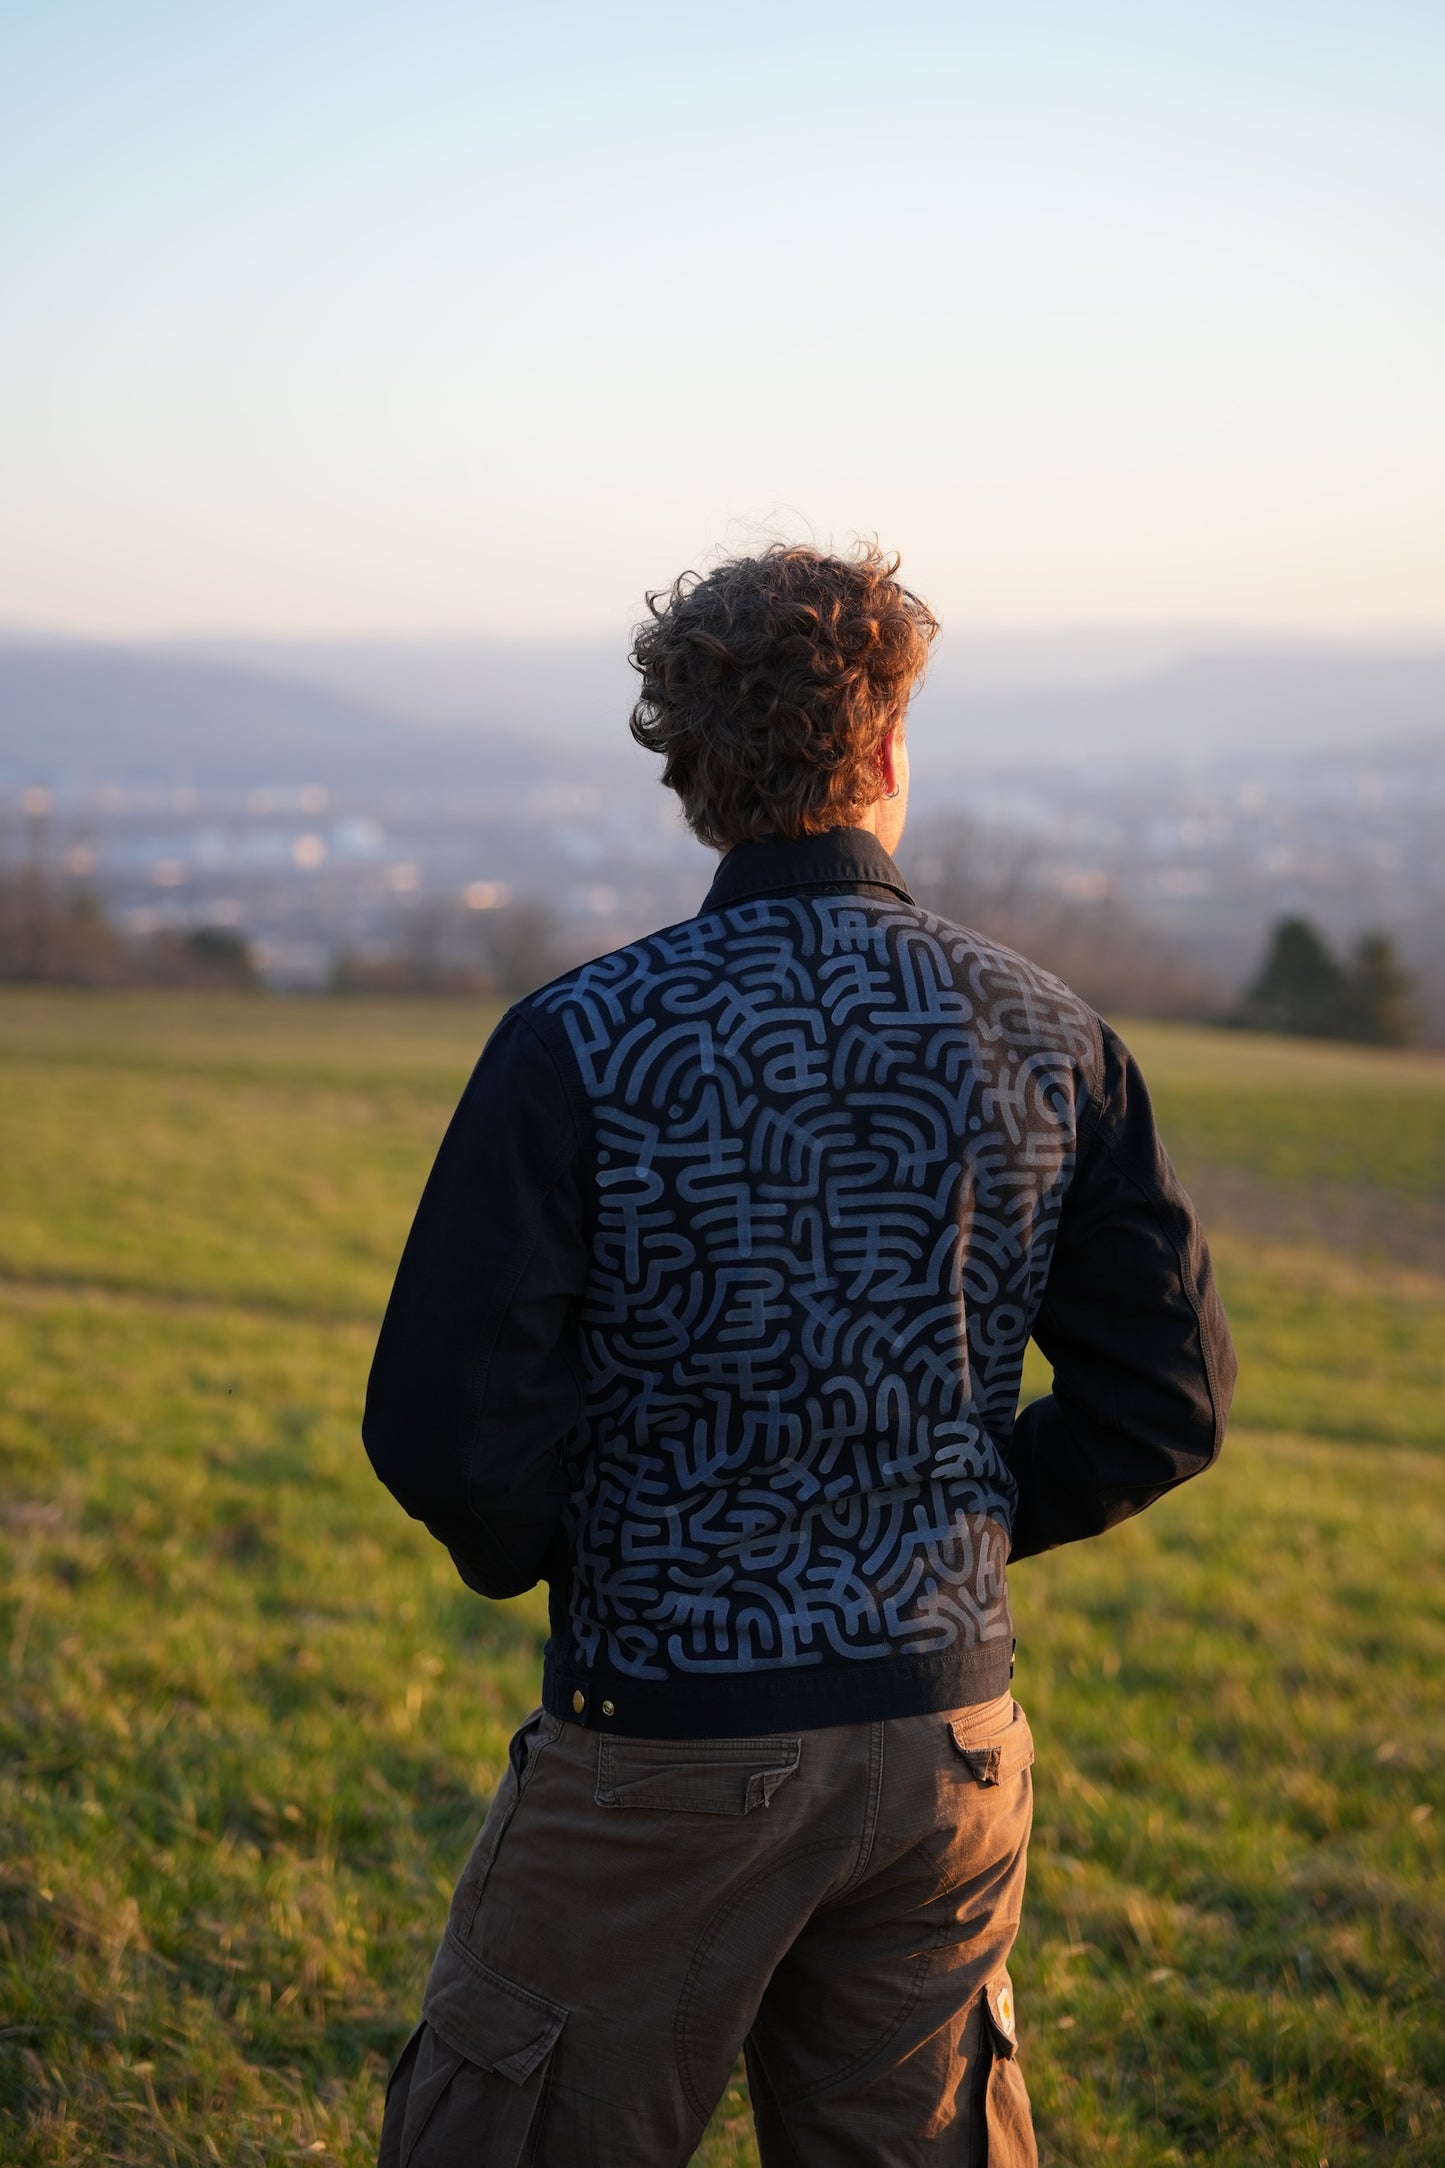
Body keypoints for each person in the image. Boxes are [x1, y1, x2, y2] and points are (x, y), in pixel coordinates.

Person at [363, 542, 1236, 2167]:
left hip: (662, 1738)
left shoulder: (580, 1038)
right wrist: (948, 1522)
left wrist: (604, 1554)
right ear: (892, 748)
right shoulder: (1054, 1033)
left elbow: (440, 1423)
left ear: (687, 776)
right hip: (946, 1746)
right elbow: (1162, 1403)